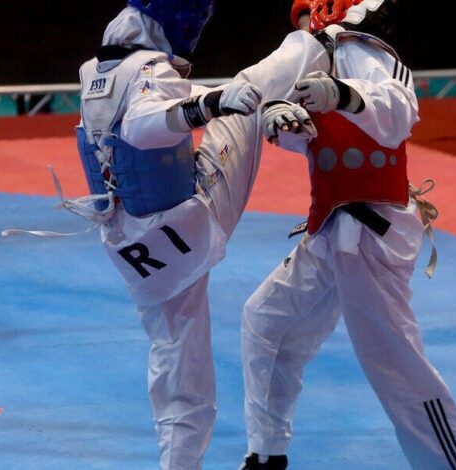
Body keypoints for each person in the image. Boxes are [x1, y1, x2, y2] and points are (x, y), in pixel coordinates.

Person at [69, 1, 332, 468]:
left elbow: (150, 106)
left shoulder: (98, 70)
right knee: (248, 97)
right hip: (186, 224)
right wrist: (211, 104)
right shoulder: (148, 69)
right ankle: (319, 38)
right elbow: (143, 125)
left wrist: (209, 96)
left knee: (176, 362)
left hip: (133, 240)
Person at [239, 1, 456, 468]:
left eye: (305, 29)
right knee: (267, 320)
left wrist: (340, 93)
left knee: (395, 365)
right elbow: (313, 133)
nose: (300, 42)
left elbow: (398, 113)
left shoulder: (363, 51)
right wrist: (281, 120)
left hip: (373, 230)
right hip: (330, 226)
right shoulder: (314, 66)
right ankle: (266, 453)